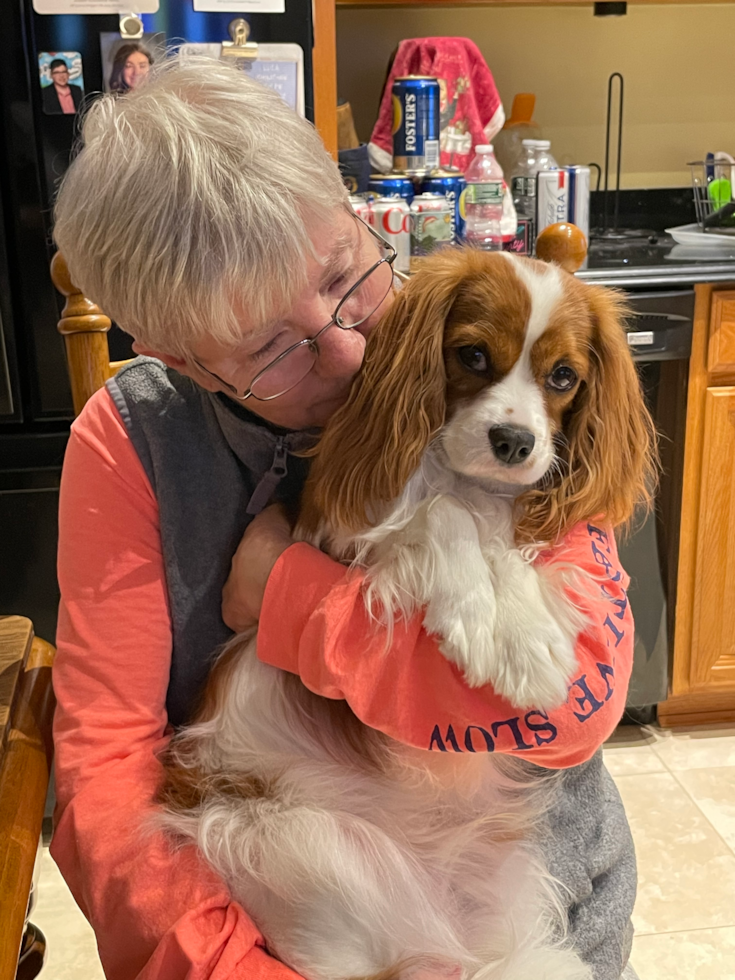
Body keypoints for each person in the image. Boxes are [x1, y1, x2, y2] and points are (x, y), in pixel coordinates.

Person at [52, 56, 640, 980]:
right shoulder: (131, 441)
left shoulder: (466, 337)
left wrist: (293, 602)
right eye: (270, 346)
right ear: (173, 353)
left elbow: (570, 702)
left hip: (530, 901)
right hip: (308, 917)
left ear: (354, 209)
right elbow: (104, 767)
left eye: (345, 274)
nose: (348, 348)